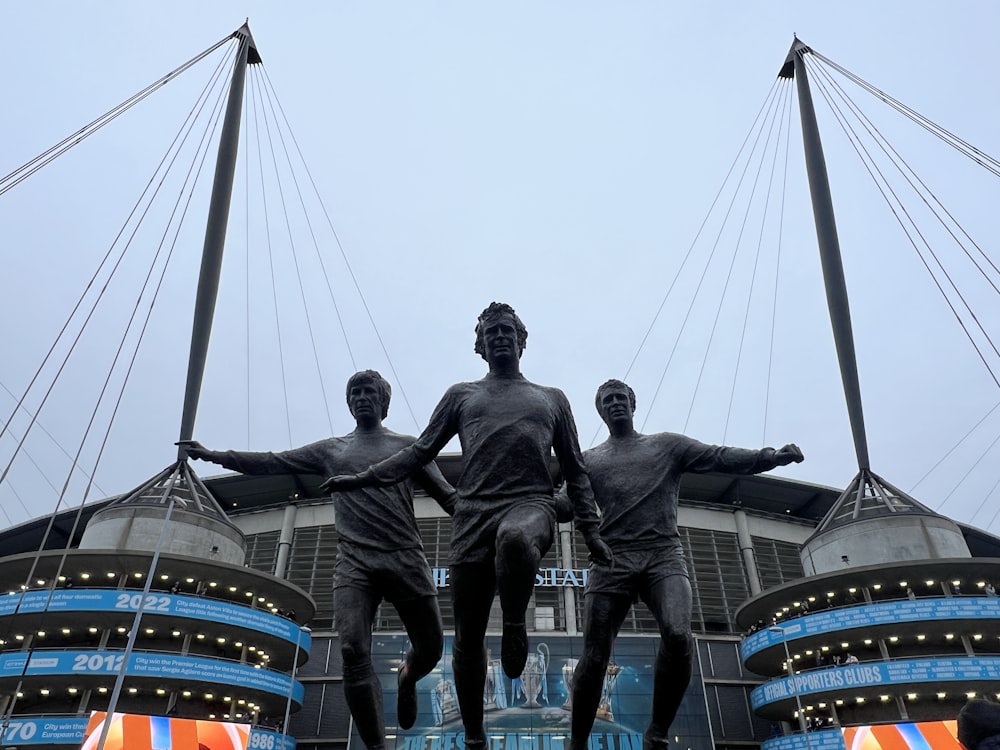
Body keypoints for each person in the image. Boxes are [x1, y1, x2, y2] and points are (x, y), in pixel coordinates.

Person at [322, 302, 611, 750]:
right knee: (468, 638)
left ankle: (514, 620)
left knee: (516, 540)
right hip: (473, 515)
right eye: (491, 332)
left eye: (506, 330)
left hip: (530, 504)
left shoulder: (551, 398)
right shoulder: (461, 395)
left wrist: (591, 529)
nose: (499, 337)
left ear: (521, 339)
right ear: (480, 345)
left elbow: (575, 470)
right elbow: (418, 453)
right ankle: (475, 736)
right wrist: (364, 477)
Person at [180, 370, 456, 750]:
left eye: (369, 392)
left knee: (431, 649)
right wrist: (215, 456)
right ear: (348, 402)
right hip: (355, 564)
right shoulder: (332, 450)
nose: (361, 397)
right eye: (355, 392)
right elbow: (273, 461)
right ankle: (377, 746)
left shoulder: (409, 447)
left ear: (383, 401)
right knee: (352, 650)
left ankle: (408, 677)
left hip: (404, 558)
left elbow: (448, 496)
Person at [568, 379, 803, 750]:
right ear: (600, 410)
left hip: (663, 555)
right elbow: (568, 503)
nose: (615, 404)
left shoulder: (666, 445)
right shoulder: (591, 460)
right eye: (607, 400)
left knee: (678, 635)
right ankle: (577, 741)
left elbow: (719, 456)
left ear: (633, 403)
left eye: (621, 398)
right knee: (595, 656)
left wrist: (767, 457)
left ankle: (657, 732)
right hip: (612, 559)